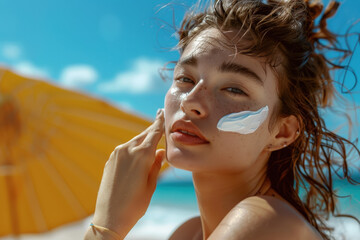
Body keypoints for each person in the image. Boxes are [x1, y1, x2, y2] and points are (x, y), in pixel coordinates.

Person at [84, 0, 360, 239]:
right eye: (185, 78)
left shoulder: (263, 222)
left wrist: (107, 226)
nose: (191, 101)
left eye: (234, 89)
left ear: (282, 132)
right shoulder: (187, 233)